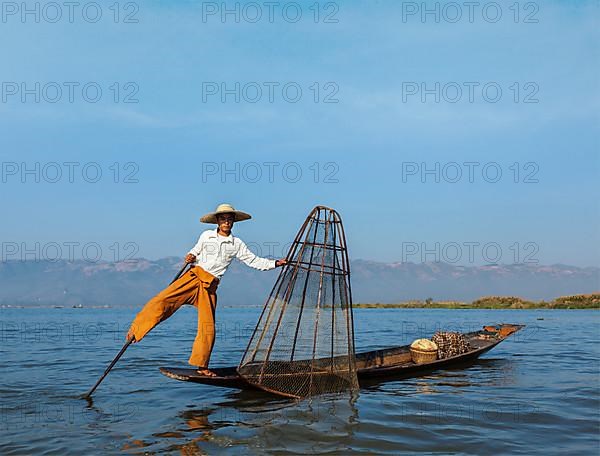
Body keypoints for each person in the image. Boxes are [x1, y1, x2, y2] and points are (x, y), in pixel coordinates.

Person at [126, 203, 287, 377]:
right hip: (193, 277)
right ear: (217, 221)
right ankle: (136, 330)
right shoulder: (206, 236)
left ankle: (201, 366)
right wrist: (190, 256)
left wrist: (275, 263)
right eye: (223, 219)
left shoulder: (236, 244)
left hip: (209, 286)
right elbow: (194, 252)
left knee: (208, 327)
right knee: (162, 300)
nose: (226, 222)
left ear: (233, 222)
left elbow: (254, 261)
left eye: (230, 219)